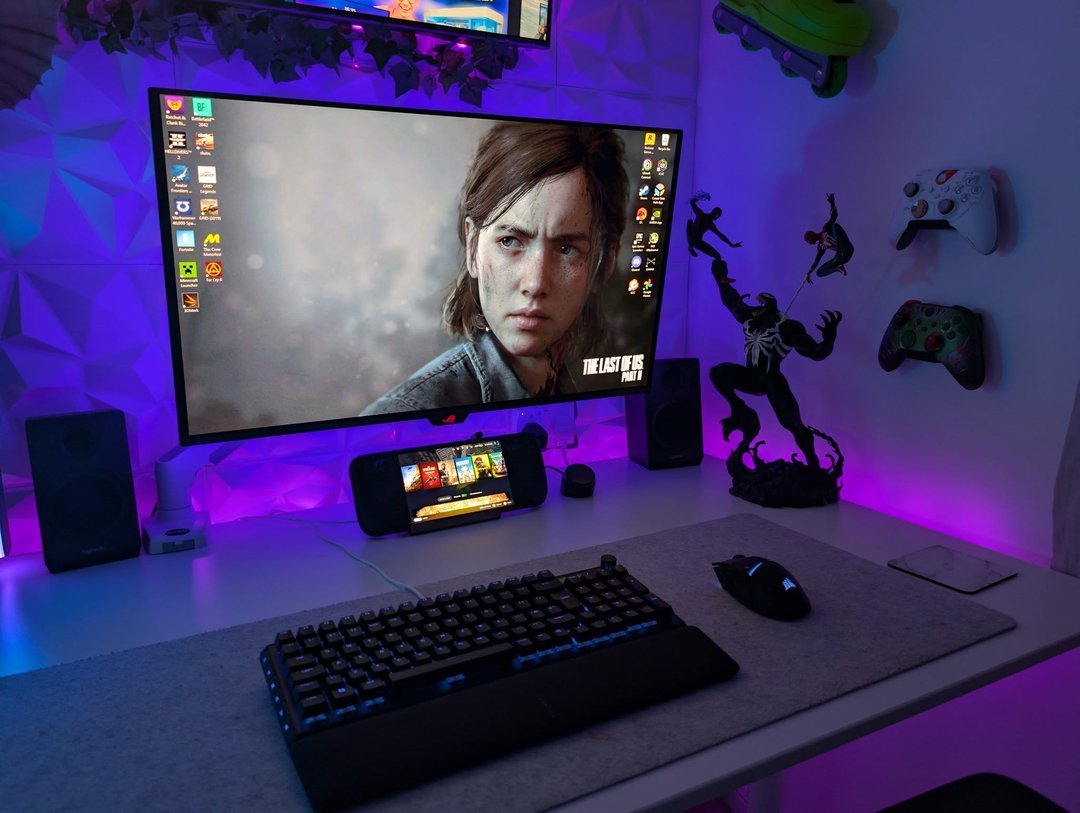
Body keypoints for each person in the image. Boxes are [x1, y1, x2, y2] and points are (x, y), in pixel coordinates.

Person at [362, 121, 629, 415]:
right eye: (509, 241)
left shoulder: (595, 402)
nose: (535, 283)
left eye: (566, 249)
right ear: (473, 247)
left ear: (605, 264)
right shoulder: (402, 417)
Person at [706, 259, 841, 469]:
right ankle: (740, 410)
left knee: (792, 424)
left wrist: (829, 339)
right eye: (757, 305)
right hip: (750, 376)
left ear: (771, 307)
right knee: (717, 373)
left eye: (763, 305)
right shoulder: (749, 319)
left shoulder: (786, 328)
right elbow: (731, 301)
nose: (757, 308)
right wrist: (720, 278)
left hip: (771, 381)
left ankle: (813, 464)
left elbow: (816, 353)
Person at [686, 191, 741, 282]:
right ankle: (690, 245)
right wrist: (702, 196)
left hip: (697, 242)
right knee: (690, 222)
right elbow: (692, 202)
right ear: (715, 214)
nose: (717, 218)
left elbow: (720, 235)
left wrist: (731, 244)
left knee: (718, 256)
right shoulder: (705, 218)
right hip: (693, 239)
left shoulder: (705, 219)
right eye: (718, 216)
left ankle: (722, 277)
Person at [804, 192, 853, 283]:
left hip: (846, 248)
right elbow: (816, 261)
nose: (809, 242)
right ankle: (838, 268)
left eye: (808, 240)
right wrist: (808, 273)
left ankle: (840, 250)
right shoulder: (820, 247)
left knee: (834, 226)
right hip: (843, 257)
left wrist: (832, 203)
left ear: (811, 236)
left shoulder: (825, 229)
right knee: (819, 272)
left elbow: (834, 216)